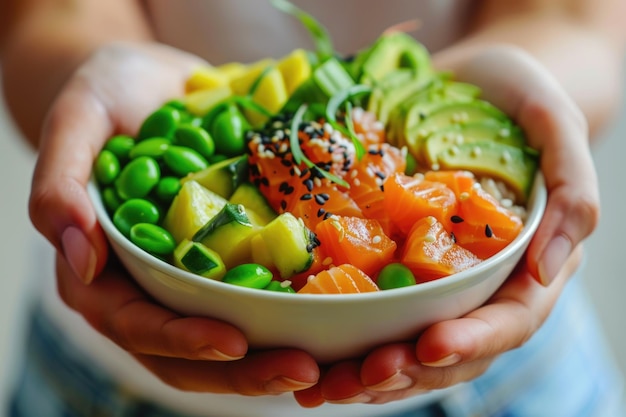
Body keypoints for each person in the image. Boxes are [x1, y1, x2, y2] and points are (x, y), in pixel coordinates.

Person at [1, 0, 625, 416]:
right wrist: (83, 73)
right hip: (97, 383)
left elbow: (577, 17)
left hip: (513, 381)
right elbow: (49, 14)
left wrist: (532, 83)